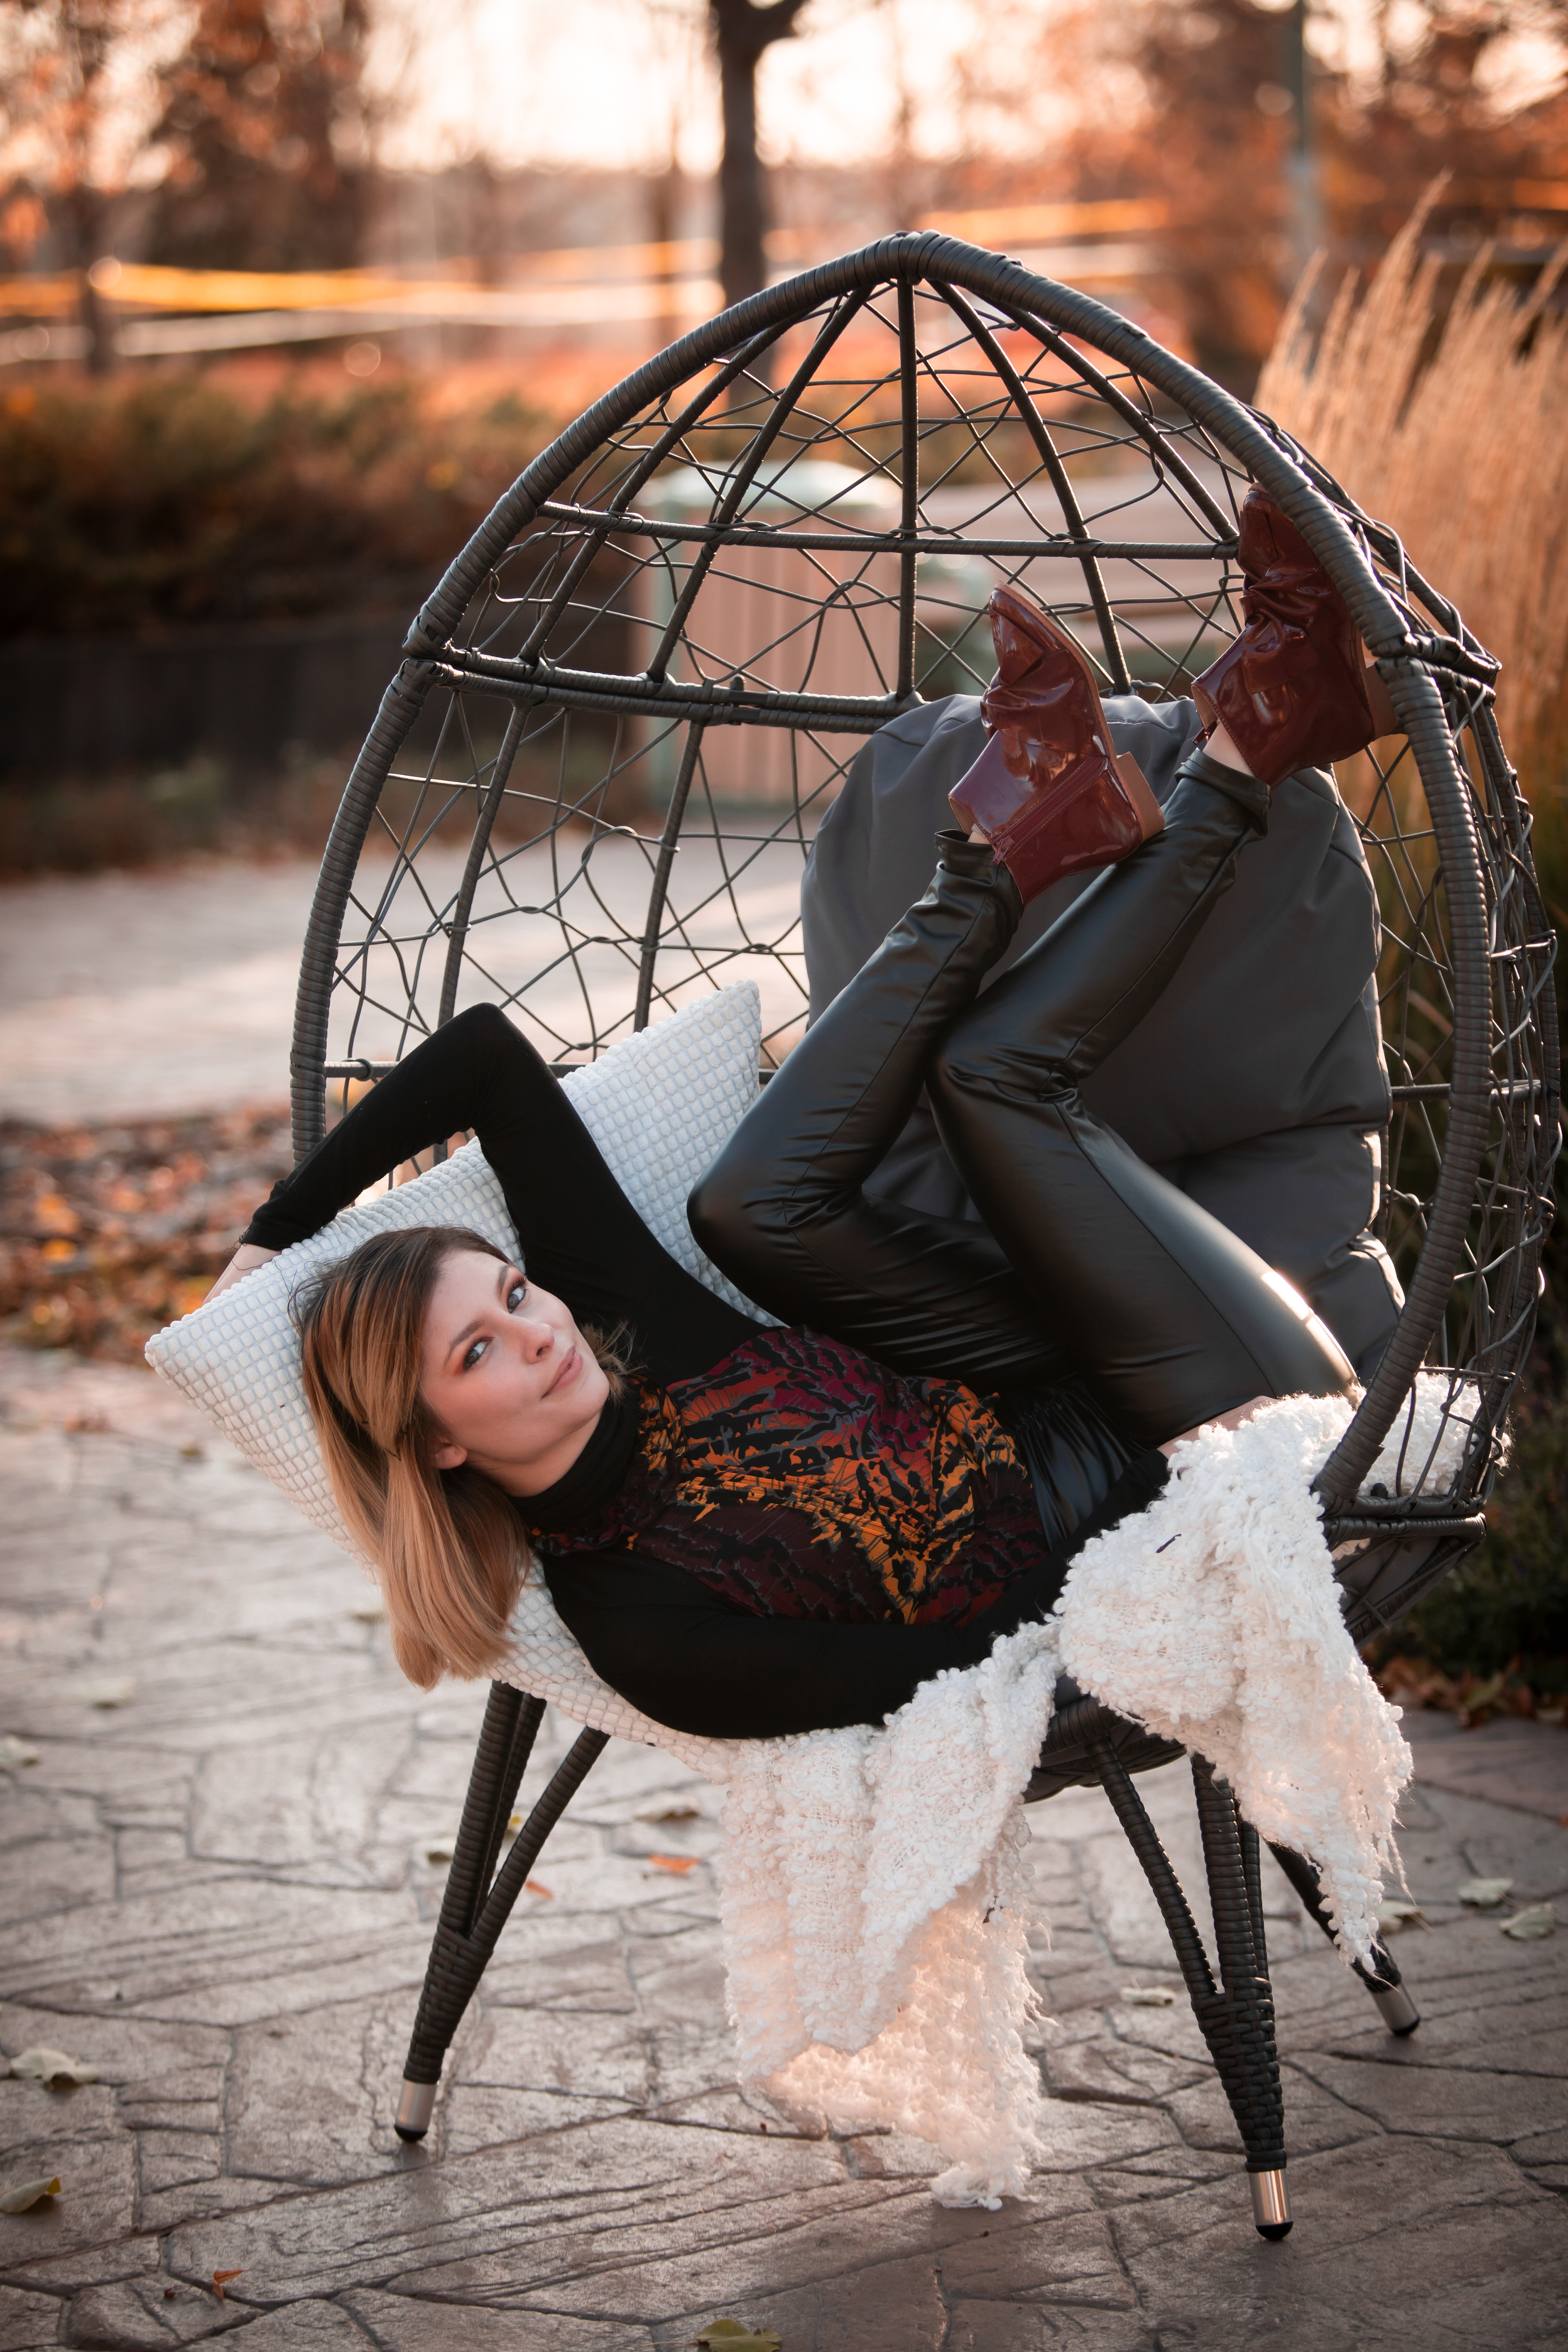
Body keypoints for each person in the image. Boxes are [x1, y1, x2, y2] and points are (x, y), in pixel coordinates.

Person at [209, 488, 1390, 1744]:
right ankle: (1203, 759)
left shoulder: (622, 1336)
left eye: (508, 1295)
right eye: (477, 1355)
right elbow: (987, 1683)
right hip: (1219, 1454)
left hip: (1074, 1366)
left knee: (755, 1202)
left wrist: (282, 1231)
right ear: (438, 1450)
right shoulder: (648, 1629)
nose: (540, 1330)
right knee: (989, 1076)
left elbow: (489, 1063)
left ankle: (1089, 806)